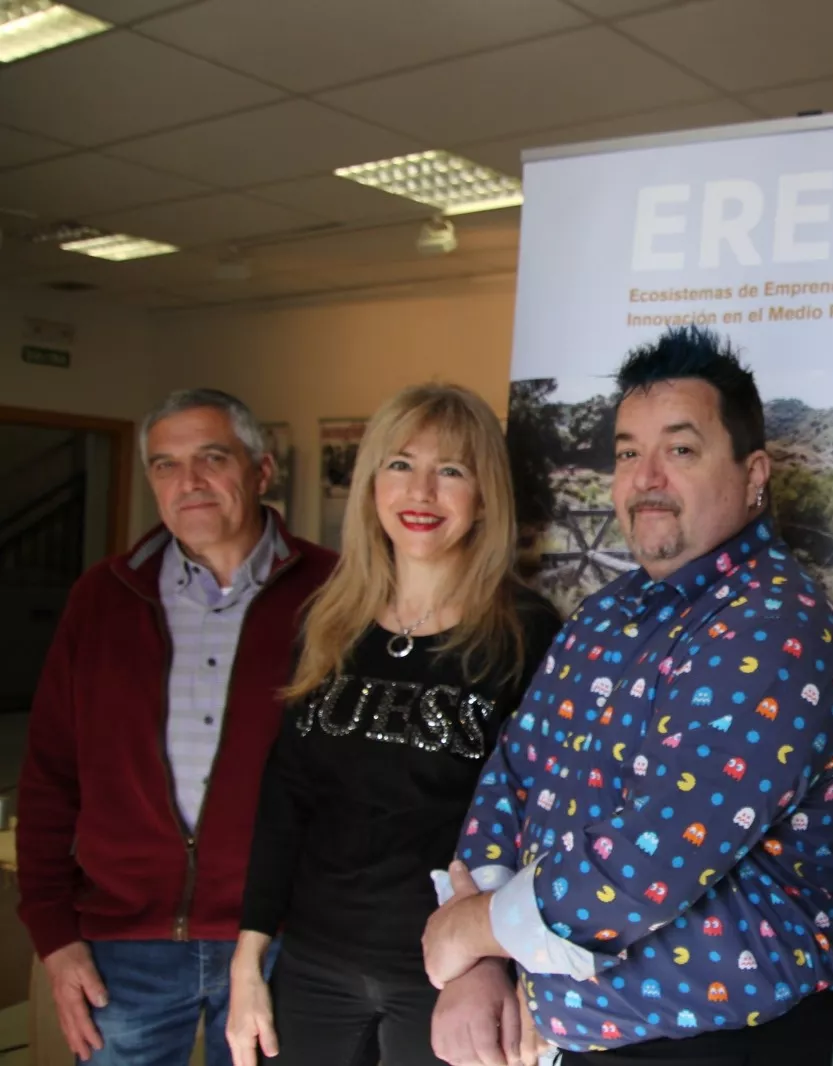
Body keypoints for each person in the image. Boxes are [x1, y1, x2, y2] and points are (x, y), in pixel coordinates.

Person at [421, 327, 833, 1064]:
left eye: (681, 450)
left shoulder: (775, 629)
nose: (645, 477)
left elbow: (646, 862)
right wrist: (485, 967)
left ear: (754, 474)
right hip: (581, 1040)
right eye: (629, 452)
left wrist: (470, 931)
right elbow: (513, 775)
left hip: (730, 1045)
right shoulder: (606, 614)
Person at [224, 384, 561, 1066]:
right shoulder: (328, 623)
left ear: (486, 495)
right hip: (313, 965)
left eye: (452, 471)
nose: (422, 492)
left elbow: (545, 820)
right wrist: (247, 961)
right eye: (400, 464)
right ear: (373, 481)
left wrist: (518, 973)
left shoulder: (528, 633)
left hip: (447, 978)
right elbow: (286, 797)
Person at [17, 389, 336, 1065]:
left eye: (210, 457)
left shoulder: (334, 594)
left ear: (260, 470)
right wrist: (54, 934)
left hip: (278, 937)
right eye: (164, 465)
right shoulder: (102, 598)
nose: (187, 481)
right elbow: (49, 776)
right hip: (122, 945)